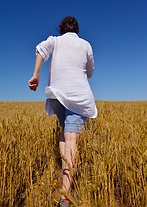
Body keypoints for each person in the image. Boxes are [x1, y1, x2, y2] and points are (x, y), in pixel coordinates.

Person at [28, 16, 97, 206]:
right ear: (77, 30)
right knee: (72, 137)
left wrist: (36, 75)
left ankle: (64, 169)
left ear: (62, 29)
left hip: (56, 94)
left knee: (63, 131)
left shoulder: (54, 41)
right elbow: (90, 72)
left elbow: (40, 49)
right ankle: (65, 195)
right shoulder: (86, 45)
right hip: (77, 96)